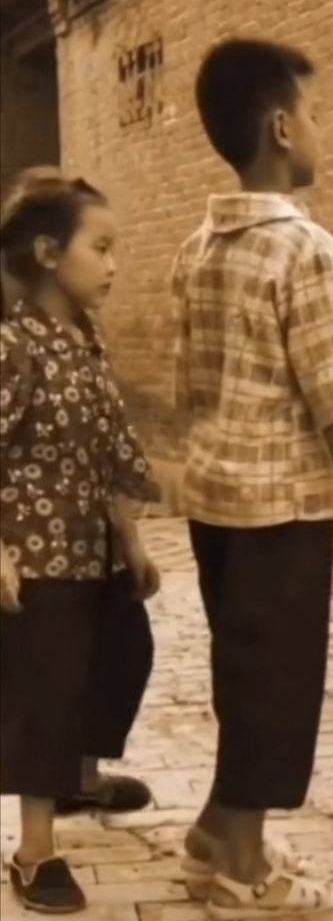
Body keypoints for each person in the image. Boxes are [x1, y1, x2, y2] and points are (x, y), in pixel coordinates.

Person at [170, 38, 333, 915]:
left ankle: (215, 830)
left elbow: (190, 383)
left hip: (214, 503)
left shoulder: (197, 247)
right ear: (280, 128)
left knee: (242, 675)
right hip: (282, 507)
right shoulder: (304, 248)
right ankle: (243, 869)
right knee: (278, 687)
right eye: (314, 112)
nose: (318, 127)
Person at [1, 170, 160, 913]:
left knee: (123, 656)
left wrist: (130, 535)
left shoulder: (85, 339)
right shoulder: (15, 348)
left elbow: (107, 445)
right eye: (99, 248)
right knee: (47, 694)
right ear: (46, 253)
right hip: (38, 556)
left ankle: (82, 779)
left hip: (94, 546)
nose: (113, 265)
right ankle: (34, 853)